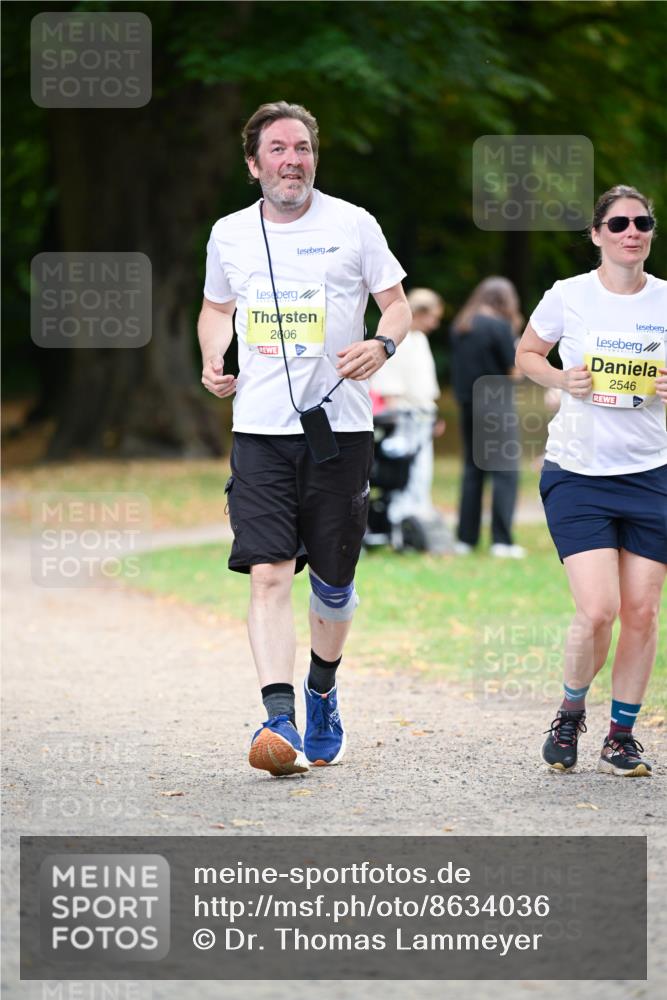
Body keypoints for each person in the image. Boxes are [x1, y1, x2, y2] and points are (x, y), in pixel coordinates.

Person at [198, 102, 411, 777]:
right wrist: (214, 357)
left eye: (302, 148)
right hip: (259, 431)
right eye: (278, 149)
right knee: (267, 573)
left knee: (333, 583)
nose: (293, 159)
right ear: (253, 164)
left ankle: (322, 687)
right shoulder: (229, 234)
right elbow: (215, 308)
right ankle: (278, 715)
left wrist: (382, 342)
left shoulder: (353, 225)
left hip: (339, 432)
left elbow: (397, 304)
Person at [515, 184, 667, 777]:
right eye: (620, 222)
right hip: (578, 472)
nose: (633, 231)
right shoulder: (568, 295)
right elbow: (528, 354)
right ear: (599, 234)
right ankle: (570, 711)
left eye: (643, 222)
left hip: (653, 473)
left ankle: (621, 735)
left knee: (644, 611)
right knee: (599, 608)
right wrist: (561, 380)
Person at [450, 277, 525, 557]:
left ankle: (465, 539)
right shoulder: (500, 327)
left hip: (468, 404)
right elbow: (515, 372)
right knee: (505, 472)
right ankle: (501, 541)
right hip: (496, 404)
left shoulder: (461, 325)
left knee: (472, 470)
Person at [370, 287, 445, 524]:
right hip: (402, 414)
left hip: (423, 413)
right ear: (420, 313)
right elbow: (389, 383)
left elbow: (425, 382)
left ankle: (417, 515)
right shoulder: (396, 340)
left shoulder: (420, 340)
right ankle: (400, 518)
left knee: (422, 470)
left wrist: (433, 415)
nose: (434, 324)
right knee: (405, 471)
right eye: (432, 316)